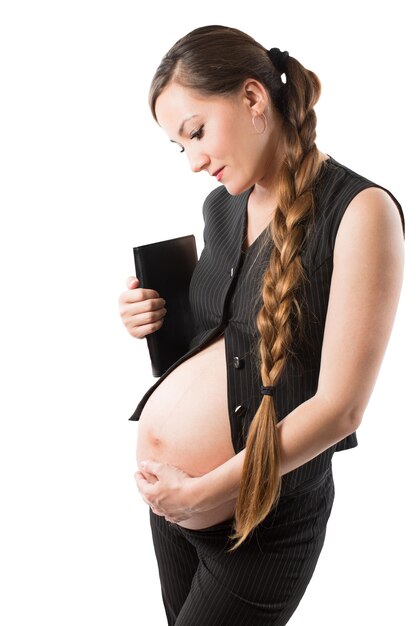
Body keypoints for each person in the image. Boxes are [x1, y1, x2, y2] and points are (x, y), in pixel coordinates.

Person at [119, 25, 405, 626]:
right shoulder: (223, 205)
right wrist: (155, 315)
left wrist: (208, 490)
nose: (194, 161)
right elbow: (230, 338)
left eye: (196, 133)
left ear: (253, 99)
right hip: (176, 506)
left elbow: (340, 409)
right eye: (180, 147)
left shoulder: (361, 212)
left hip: (260, 520)